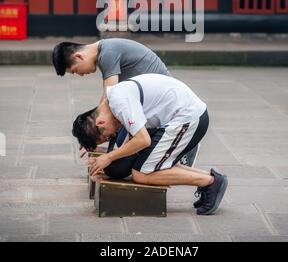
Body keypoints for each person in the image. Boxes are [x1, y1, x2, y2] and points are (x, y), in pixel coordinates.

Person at [72, 73, 228, 216]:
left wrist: (108, 157)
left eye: (107, 136)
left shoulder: (120, 103)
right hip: (183, 117)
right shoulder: (115, 99)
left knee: (142, 174)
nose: (112, 136)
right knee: (146, 165)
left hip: (188, 119)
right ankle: (210, 179)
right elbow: (131, 146)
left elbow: (143, 140)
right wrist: (109, 164)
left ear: (100, 122)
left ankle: (210, 182)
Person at [52, 38, 198, 167]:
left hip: (165, 105)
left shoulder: (107, 53)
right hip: (145, 101)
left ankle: (185, 147)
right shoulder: (105, 50)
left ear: (78, 56)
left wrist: (90, 133)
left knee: (126, 146)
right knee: (123, 143)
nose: (81, 75)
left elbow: (108, 101)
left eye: (76, 70)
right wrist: (92, 136)